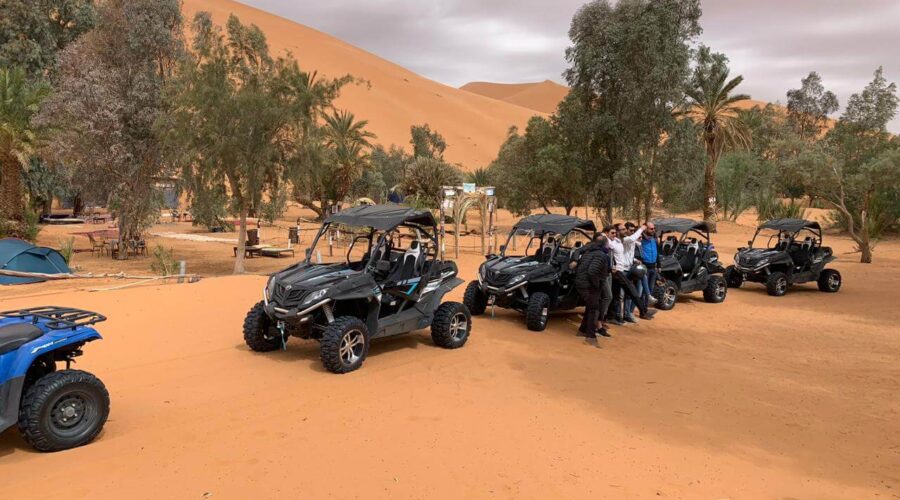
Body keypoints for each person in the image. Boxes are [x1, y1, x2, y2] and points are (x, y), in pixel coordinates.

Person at [608, 222, 657, 322]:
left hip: (628, 269)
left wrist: (634, 260)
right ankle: (616, 316)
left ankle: (628, 313)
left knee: (630, 293)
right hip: (620, 271)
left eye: (632, 230)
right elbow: (632, 239)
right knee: (619, 295)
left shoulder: (620, 241)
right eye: (627, 230)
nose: (628, 232)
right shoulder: (625, 240)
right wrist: (642, 229)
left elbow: (626, 253)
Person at [574, 234, 610, 342]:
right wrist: (596, 284)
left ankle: (583, 330)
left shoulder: (589, 251)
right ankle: (590, 335)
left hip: (582, 282)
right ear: (604, 244)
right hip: (588, 284)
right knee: (593, 308)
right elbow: (592, 271)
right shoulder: (601, 255)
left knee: (591, 306)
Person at [639, 222, 659, 306]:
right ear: (645, 229)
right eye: (651, 229)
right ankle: (642, 310)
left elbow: (657, 253)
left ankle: (645, 308)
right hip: (645, 268)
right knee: (644, 291)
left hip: (653, 267)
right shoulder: (641, 240)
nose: (653, 230)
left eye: (654, 228)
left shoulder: (654, 239)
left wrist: (659, 265)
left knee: (650, 290)